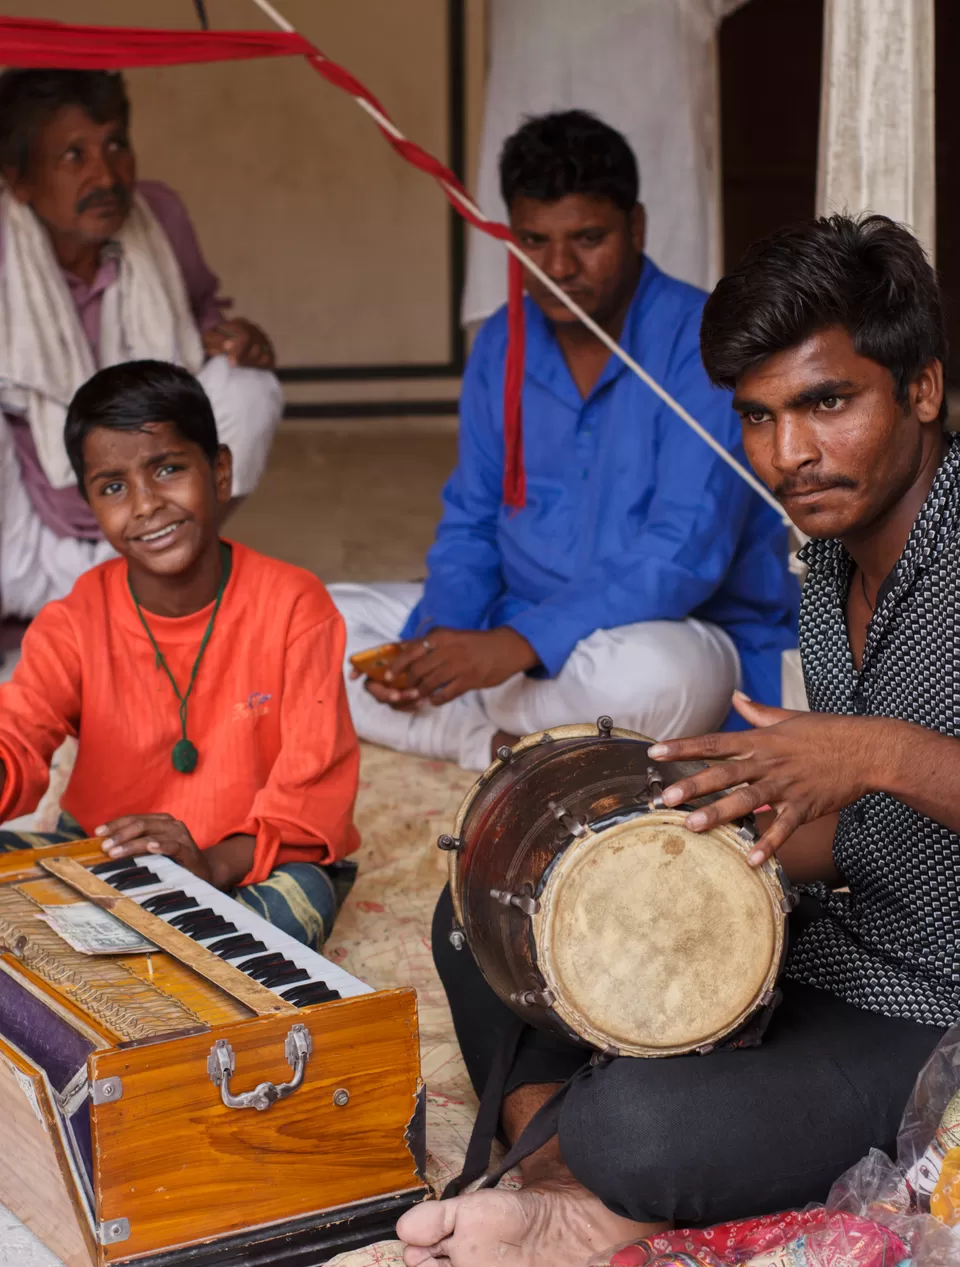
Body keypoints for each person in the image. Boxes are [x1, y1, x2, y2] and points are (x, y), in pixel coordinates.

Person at [397, 213, 960, 1267]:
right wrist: (693, 832)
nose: (788, 455)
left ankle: (584, 1165)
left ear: (922, 388)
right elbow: (869, 840)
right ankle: (563, 1155)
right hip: (838, 942)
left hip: (938, 1006)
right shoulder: (831, 559)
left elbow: (883, 777)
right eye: (759, 416)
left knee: (643, 1128)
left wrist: (877, 752)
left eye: (827, 403)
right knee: (495, 905)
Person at [331, 111, 798, 772]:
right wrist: (440, 642)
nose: (557, 267)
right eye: (532, 240)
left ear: (634, 227)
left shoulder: (705, 340)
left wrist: (515, 646)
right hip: (513, 631)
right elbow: (471, 520)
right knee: (313, 623)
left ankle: (493, 725)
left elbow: (683, 554)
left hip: (668, 637)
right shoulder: (502, 341)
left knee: (660, 681)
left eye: (587, 238)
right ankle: (498, 744)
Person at [0, 360, 358, 948]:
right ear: (90, 503)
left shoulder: (295, 606)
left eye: (167, 469)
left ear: (219, 472)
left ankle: (120, 947)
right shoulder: (77, 617)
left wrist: (208, 867)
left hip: (243, 864)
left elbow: (311, 799)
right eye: (113, 486)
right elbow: (20, 732)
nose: (144, 505)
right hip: (103, 854)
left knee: (302, 900)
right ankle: (143, 945)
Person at [0, 68, 283, 620]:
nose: (105, 175)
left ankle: (160, 565)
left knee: (247, 387)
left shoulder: (160, 216)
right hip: (25, 542)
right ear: (19, 181)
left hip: (142, 522)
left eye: (115, 145)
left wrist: (242, 341)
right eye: (73, 156)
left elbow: (201, 323)